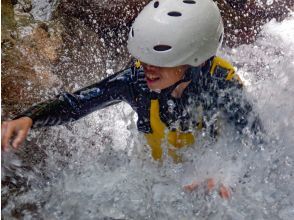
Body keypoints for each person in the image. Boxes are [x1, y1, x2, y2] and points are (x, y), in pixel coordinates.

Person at [1, 0, 262, 198]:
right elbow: (77, 103)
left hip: (208, 177)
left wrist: (229, 173)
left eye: (160, 59)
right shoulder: (136, 80)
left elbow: (253, 140)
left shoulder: (221, 85)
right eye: (144, 56)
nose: (147, 67)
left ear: (195, 59)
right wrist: (30, 117)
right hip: (160, 175)